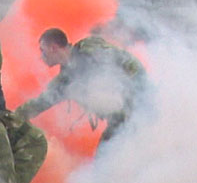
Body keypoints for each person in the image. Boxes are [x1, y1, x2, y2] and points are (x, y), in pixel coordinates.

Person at [18, 28, 148, 143]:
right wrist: (11, 118)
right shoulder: (66, 80)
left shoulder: (91, 50)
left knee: (109, 154)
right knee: (106, 156)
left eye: (43, 50)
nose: (42, 56)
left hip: (138, 103)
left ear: (53, 48)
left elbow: (122, 65)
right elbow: (41, 102)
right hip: (120, 117)